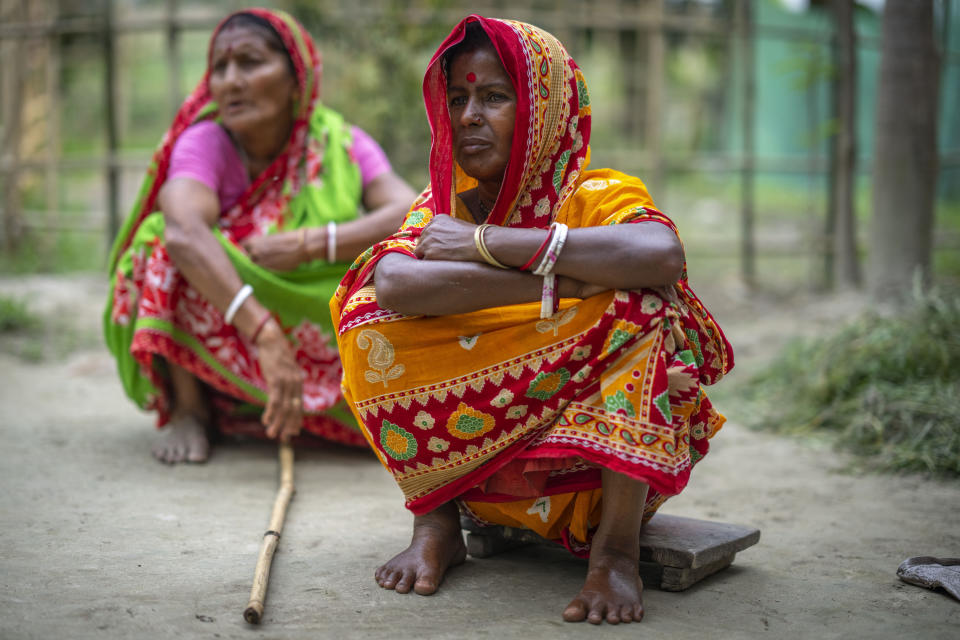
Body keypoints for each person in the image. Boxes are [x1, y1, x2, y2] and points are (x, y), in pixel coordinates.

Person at [331, 16, 734, 625]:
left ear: (544, 111)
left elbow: (660, 257)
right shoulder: (440, 205)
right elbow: (397, 281)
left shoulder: (597, 194)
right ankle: (436, 522)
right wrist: (566, 283)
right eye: (459, 98)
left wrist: (483, 243)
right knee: (368, 318)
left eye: (493, 97)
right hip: (471, 470)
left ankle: (616, 554)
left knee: (641, 309)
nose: (469, 116)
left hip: (586, 479)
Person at [104, 8, 416, 464]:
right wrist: (265, 332)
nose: (231, 81)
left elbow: (409, 211)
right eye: (220, 67)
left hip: (314, 315)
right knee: (160, 243)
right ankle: (192, 408)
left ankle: (340, 404)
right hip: (243, 320)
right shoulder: (205, 143)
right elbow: (183, 231)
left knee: (392, 276)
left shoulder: (339, 143)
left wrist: (312, 244)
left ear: (297, 79)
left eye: (249, 63)